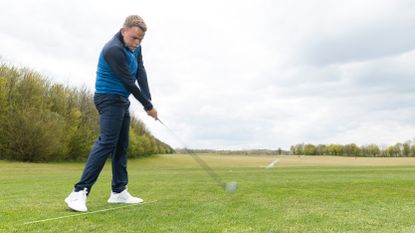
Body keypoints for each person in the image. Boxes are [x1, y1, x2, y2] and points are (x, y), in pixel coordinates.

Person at [65, 15, 158, 212]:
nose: (137, 43)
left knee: (121, 146)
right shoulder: (113, 50)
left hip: (121, 100)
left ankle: (118, 192)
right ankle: (78, 192)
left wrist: (149, 100)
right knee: (107, 142)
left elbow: (140, 69)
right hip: (108, 98)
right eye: (134, 38)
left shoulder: (135, 46)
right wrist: (147, 106)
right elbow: (128, 82)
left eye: (140, 39)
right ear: (123, 30)